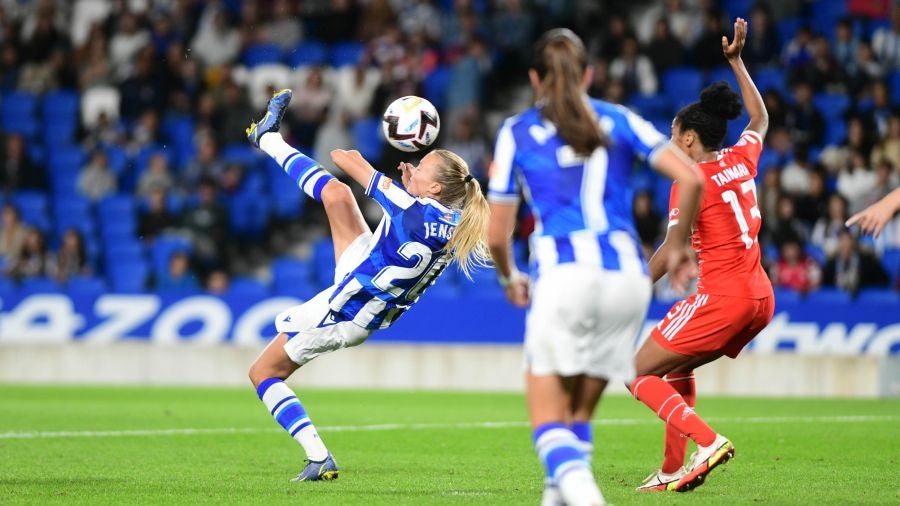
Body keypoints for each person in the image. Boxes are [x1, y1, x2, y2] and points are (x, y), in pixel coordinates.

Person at [486, 29, 703, 506]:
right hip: (627, 281)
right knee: (576, 420)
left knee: (547, 423)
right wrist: (678, 243)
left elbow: (496, 235)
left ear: (534, 78)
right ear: (588, 74)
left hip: (564, 278)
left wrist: (509, 278)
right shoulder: (619, 119)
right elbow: (691, 176)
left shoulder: (517, 131)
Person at [246, 90, 490, 482]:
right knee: (337, 195)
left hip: (346, 309)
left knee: (263, 372)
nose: (415, 163)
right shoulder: (453, 226)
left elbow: (347, 159)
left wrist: (381, 143)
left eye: (422, 163)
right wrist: (410, 187)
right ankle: (267, 135)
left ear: (436, 189)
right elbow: (413, 217)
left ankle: (318, 455)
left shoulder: (413, 207)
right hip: (367, 279)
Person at [630, 18, 774, 493]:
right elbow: (760, 120)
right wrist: (737, 62)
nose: (672, 146)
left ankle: (708, 441)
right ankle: (672, 468)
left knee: (635, 372)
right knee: (675, 367)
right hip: (760, 296)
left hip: (723, 296)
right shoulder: (739, 158)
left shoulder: (688, 183)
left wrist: (627, 289)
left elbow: (669, 253)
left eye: (674, 137)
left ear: (689, 139)